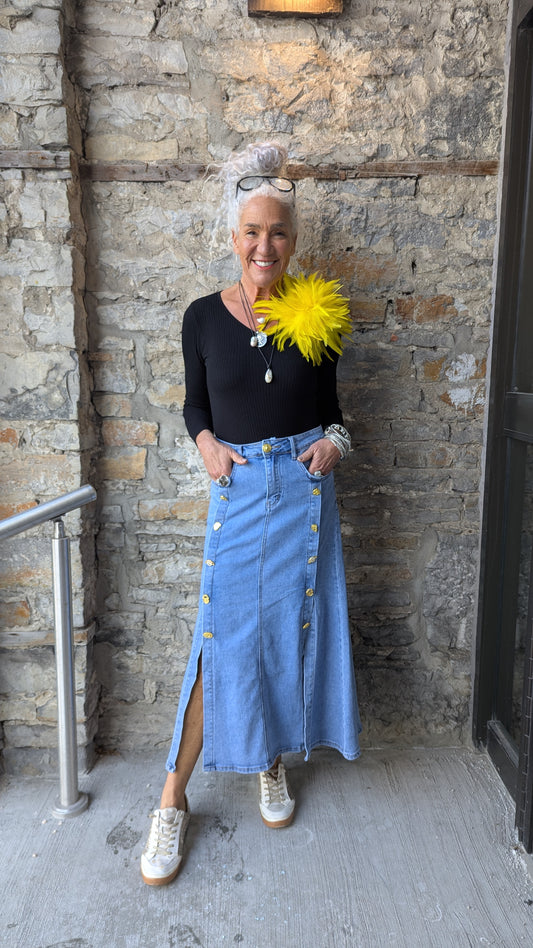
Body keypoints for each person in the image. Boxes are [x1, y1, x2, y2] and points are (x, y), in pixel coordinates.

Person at [141, 142, 361, 887]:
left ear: (292, 242)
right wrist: (203, 443)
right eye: (251, 231)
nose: (264, 245)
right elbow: (194, 403)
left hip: (302, 492)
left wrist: (334, 444)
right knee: (220, 637)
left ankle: (269, 763)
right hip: (237, 490)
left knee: (282, 633)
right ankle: (172, 798)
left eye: (278, 233)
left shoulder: (318, 314)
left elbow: (335, 415)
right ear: (232, 237)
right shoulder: (202, 317)